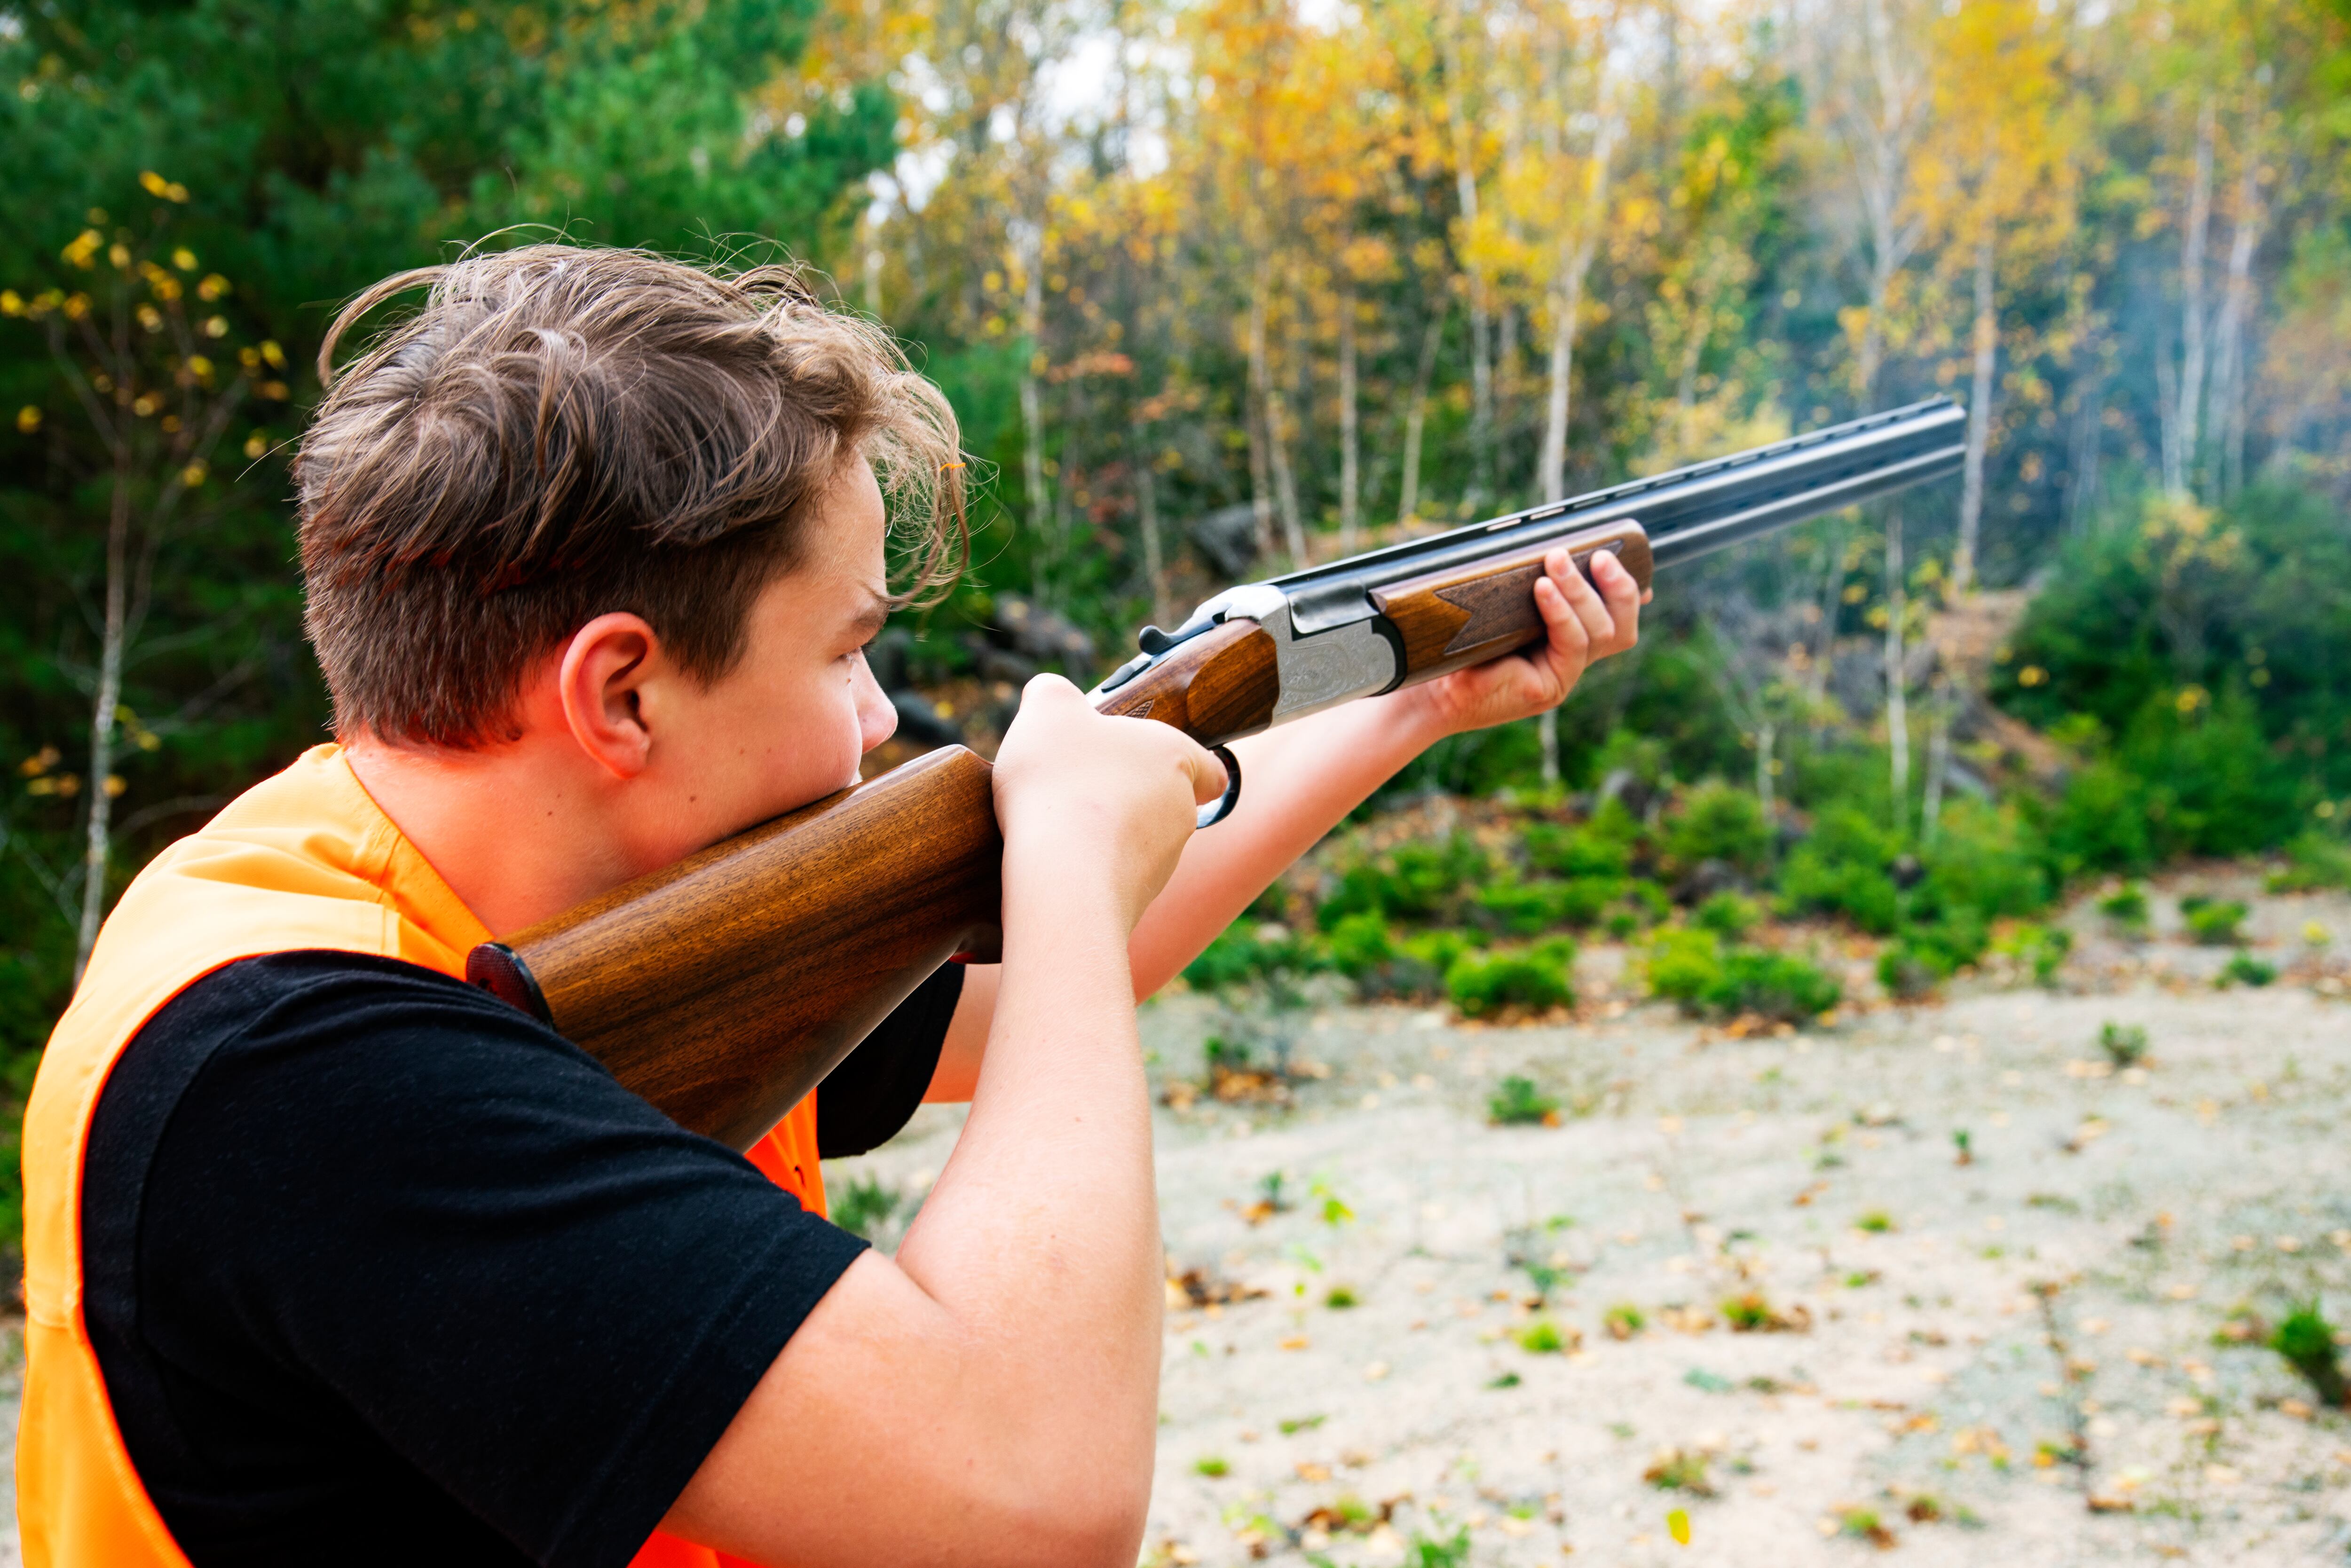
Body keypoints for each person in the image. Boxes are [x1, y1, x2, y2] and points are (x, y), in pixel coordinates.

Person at [18, 245, 1644, 1568]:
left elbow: (1062, 980)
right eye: (849, 648)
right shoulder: (307, 1077)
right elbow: (1031, 1495)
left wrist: (1408, 702)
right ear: (623, 697)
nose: (881, 722)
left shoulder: (482, 891)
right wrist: (1064, 871)